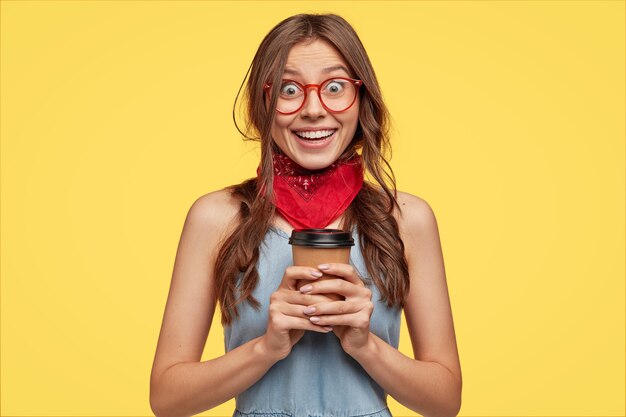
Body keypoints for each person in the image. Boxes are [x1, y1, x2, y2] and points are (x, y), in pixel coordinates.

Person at [149, 13, 462, 417]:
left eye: (335, 87)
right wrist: (265, 348)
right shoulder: (217, 217)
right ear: (263, 103)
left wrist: (365, 346)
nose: (314, 109)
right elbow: (167, 400)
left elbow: (445, 402)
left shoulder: (406, 219)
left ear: (362, 97)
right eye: (289, 89)